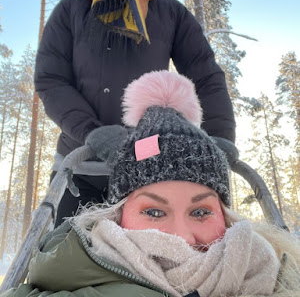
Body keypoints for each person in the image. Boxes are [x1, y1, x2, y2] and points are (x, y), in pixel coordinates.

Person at [2, 71, 299, 297]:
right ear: (117, 216)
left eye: (200, 212)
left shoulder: (272, 273)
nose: (182, 238)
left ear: (226, 216)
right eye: (154, 212)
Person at [34, 0, 237, 226]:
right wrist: (92, 131)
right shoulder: (72, 10)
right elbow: (52, 80)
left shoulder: (169, 13)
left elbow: (206, 77)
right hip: (80, 167)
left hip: (148, 169)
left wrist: (219, 138)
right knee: (68, 262)